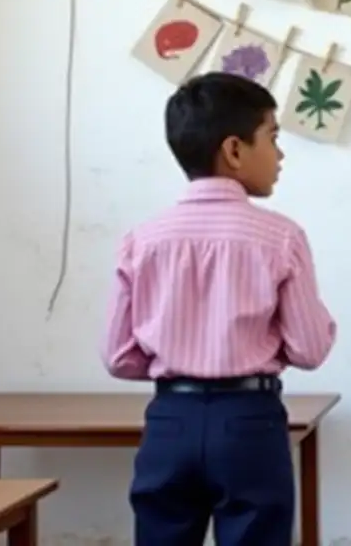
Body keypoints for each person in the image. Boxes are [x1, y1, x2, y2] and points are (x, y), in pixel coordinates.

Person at [101, 71, 337, 546]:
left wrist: (178, 353)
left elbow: (118, 356)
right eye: (272, 137)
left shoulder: (142, 239)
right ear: (234, 150)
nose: (280, 154)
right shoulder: (280, 237)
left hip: (169, 421)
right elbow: (310, 349)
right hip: (250, 421)